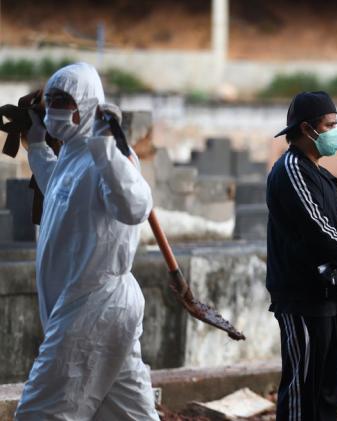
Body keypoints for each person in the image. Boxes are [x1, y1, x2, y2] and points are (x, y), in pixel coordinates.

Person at [15, 63, 159, 419]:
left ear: (89, 105)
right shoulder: (71, 154)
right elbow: (61, 193)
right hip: (90, 306)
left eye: (65, 101)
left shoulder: (110, 156)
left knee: (41, 411)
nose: (55, 110)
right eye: (50, 101)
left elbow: (136, 206)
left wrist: (106, 146)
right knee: (128, 411)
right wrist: (36, 145)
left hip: (94, 305)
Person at [267, 91, 337, 421]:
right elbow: (319, 232)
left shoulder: (323, 176)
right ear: (307, 129)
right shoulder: (291, 171)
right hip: (303, 298)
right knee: (304, 389)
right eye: (329, 125)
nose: (335, 132)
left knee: (327, 392)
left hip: (333, 297)